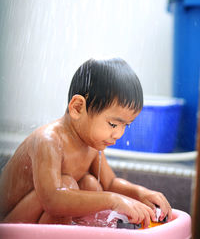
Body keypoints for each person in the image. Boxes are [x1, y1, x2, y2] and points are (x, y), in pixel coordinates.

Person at [0, 58, 172, 228]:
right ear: (77, 108)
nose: (119, 134)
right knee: (67, 185)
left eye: (125, 126)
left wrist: (141, 193)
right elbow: (52, 200)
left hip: (37, 218)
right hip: (9, 224)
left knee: (90, 184)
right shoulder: (49, 141)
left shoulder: (91, 144)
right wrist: (112, 200)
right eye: (113, 124)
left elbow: (109, 183)